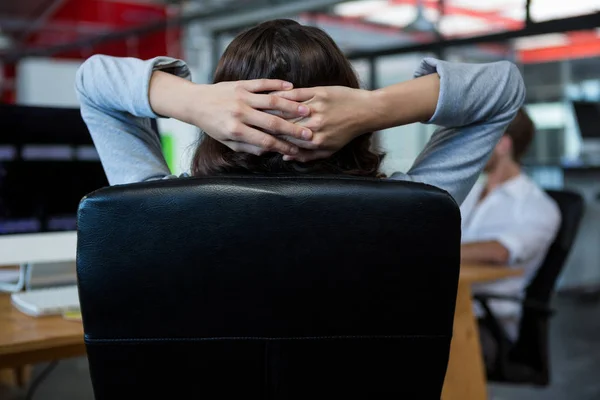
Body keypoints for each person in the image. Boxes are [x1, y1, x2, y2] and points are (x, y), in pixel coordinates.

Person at [75, 18, 524, 207]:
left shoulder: (153, 210)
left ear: (219, 120)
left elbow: (94, 81)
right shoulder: (417, 204)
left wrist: (192, 103)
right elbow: (503, 89)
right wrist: (374, 107)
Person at [460, 108, 561, 369]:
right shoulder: (469, 192)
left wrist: (438, 250)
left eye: (481, 138)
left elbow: (500, 252)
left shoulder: (538, 206)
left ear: (503, 144)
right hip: (446, 308)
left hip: (486, 324)